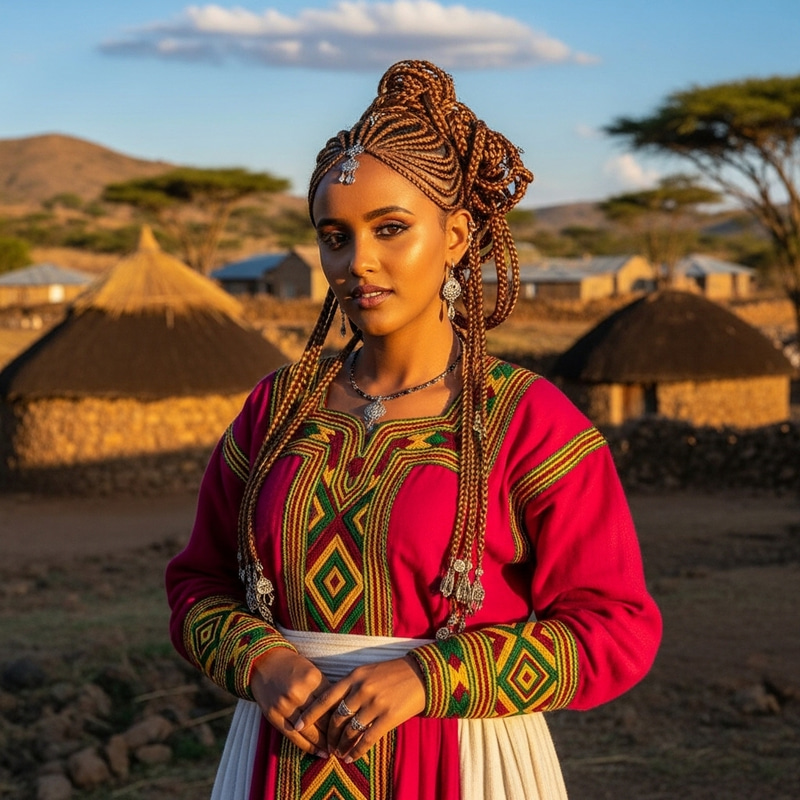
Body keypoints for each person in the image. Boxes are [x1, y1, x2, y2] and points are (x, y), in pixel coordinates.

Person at [166, 60, 661, 799]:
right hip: (278, 761)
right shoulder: (278, 409)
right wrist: (257, 660)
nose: (357, 262)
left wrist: (433, 677)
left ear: (456, 235)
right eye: (335, 237)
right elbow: (198, 584)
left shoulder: (528, 423)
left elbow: (616, 627)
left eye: (390, 229)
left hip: (462, 761)